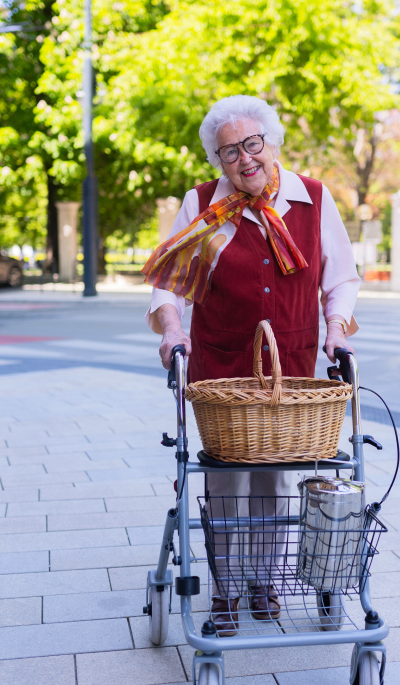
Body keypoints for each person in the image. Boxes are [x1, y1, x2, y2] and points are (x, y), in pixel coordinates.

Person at [143, 95, 360, 635]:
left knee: (275, 479)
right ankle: (225, 590)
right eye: (228, 152)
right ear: (218, 161)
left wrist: (335, 331)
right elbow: (168, 285)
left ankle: (263, 581)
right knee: (224, 484)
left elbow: (340, 277)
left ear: (271, 141)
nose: (243, 159)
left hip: (291, 364)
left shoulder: (311, 199)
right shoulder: (202, 205)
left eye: (251, 144)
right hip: (219, 365)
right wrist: (172, 331)